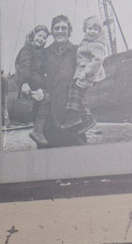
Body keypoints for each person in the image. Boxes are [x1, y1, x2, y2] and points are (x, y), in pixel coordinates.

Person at [34, 13, 82, 147]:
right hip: (49, 115)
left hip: (72, 115)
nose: (60, 31)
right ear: (52, 32)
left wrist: (89, 81)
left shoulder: (77, 51)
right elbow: (34, 74)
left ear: (69, 31)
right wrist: (37, 89)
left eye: (63, 28)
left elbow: (91, 71)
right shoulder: (44, 53)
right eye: (56, 28)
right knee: (47, 158)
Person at [6, 25, 49, 128]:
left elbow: (42, 71)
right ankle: (21, 120)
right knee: (26, 103)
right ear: (33, 35)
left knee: (39, 102)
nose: (41, 39)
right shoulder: (27, 49)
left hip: (37, 84)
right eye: (39, 35)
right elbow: (24, 67)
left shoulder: (40, 52)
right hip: (28, 84)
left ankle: (34, 124)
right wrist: (24, 83)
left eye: (44, 37)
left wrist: (42, 86)